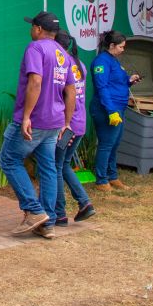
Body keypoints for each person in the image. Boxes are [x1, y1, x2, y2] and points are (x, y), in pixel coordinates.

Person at [0, 11, 70, 238]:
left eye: (32, 26)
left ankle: (34, 210)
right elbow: (70, 90)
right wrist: (66, 122)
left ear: (39, 29)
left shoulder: (36, 48)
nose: (31, 30)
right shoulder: (63, 53)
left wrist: (27, 116)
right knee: (48, 167)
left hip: (36, 120)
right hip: (54, 121)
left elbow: (35, 81)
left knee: (8, 159)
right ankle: (46, 222)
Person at [51, 33, 96, 225]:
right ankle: (84, 203)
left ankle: (60, 214)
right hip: (80, 123)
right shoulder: (79, 64)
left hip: (66, 124)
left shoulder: (63, 64)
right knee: (64, 164)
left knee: (56, 166)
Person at [90, 30, 141, 193]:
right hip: (106, 109)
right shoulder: (101, 62)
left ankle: (112, 176)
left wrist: (129, 80)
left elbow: (117, 82)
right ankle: (101, 180)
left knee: (114, 144)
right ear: (112, 45)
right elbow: (102, 87)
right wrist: (111, 110)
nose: (123, 50)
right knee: (106, 144)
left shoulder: (114, 61)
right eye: (121, 47)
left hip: (119, 108)